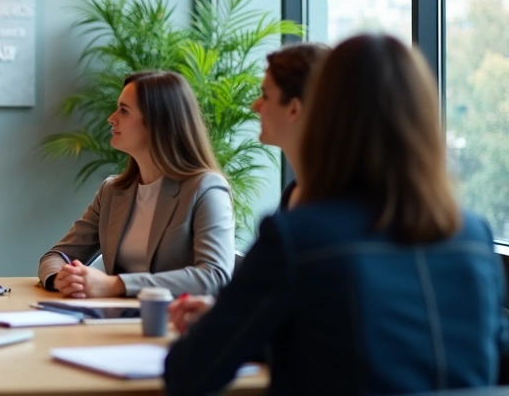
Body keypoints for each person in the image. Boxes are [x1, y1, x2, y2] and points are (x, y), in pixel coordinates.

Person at [165, 34, 508, 396]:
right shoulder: (473, 235)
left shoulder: (297, 238)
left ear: (325, 114)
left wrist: (233, 326)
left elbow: (189, 374)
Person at [37, 71, 234, 298]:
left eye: (124, 110)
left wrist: (116, 285)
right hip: (114, 316)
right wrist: (61, 278)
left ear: (157, 122)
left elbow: (214, 275)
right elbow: (56, 256)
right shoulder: (112, 192)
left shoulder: (205, 188)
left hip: (171, 318)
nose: (111, 118)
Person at [251, 42, 330, 211]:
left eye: (265, 95)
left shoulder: (331, 205)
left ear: (294, 109)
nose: (255, 106)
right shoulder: (293, 193)